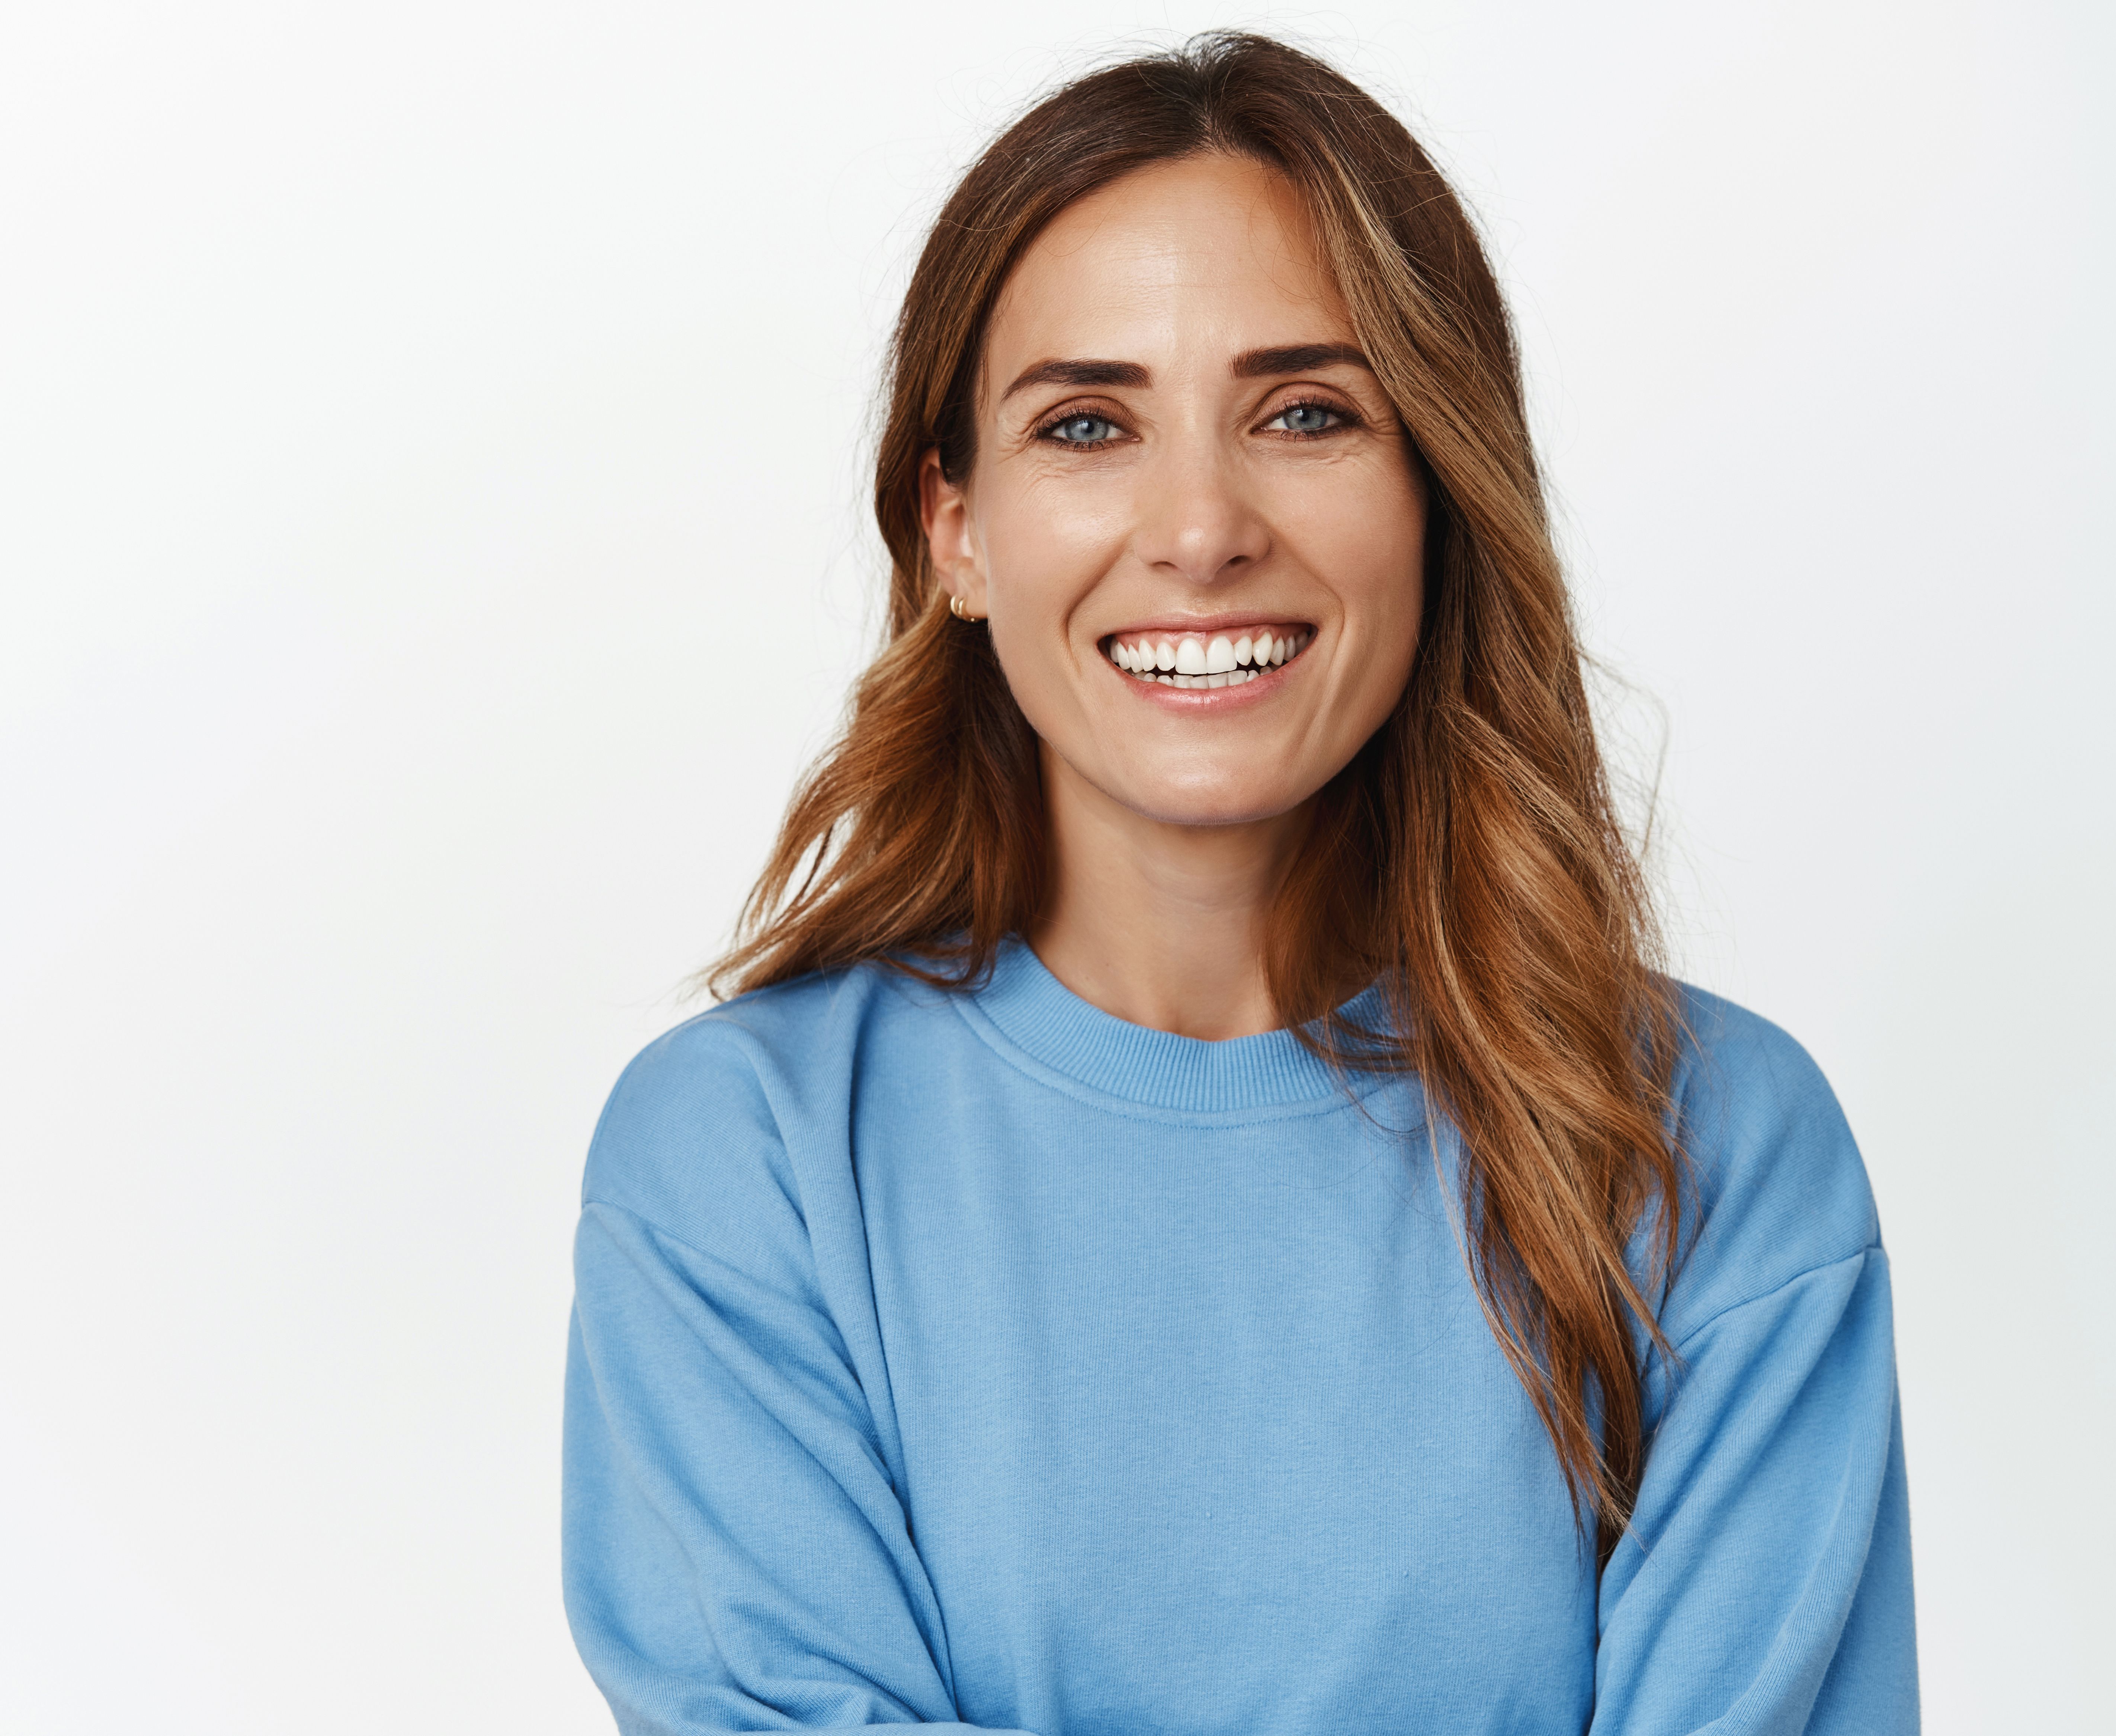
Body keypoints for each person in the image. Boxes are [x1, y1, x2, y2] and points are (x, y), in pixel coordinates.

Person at [560, 32, 1914, 1735]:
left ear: (1437, 493)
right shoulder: (751, 1157)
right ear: (955, 533)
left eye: (1305, 414)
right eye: (1086, 424)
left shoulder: (1706, 1148)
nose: (1199, 528)